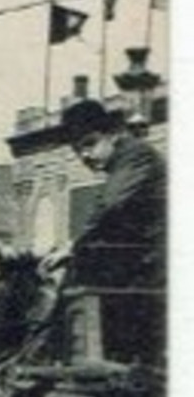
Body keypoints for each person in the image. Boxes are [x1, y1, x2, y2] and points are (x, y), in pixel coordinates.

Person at [46, 98, 167, 363]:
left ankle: (64, 349)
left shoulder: (136, 155)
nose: (85, 156)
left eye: (90, 144)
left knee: (84, 265)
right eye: (78, 151)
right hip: (146, 262)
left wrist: (73, 246)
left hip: (159, 265)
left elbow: (109, 207)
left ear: (113, 134)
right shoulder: (122, 163)